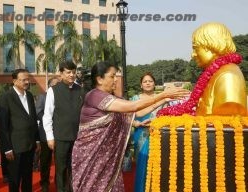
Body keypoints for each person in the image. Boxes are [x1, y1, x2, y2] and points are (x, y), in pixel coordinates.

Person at [71, 61, 189, 192]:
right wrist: (163, 94)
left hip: (108, 158)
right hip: (92, 156)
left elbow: (136, 112)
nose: (116, 79)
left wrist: (163, 100)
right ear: (99, 79)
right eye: (112, 76)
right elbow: (133, 106)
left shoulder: (110, 97)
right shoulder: (94, 95)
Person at [0, 69, 40, 192]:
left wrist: (36, 140)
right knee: (14, 179)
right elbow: (2, 125)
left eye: (28, 79)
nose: (27, 82)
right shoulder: (5, 97)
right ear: (14, 81)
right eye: (23, 79)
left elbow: (33, 119)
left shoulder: (29, 96)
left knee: (27, 177)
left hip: (29, 145)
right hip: (14, 148)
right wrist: (7, 148)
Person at [43, 61, 84, 192]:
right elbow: (47, 115)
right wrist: (50, 137)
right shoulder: (53, 90)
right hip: (60, 137)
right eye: (68, 72)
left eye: (74, 72)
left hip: (78, 137)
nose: (72, 75)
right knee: (61, 169)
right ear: (61, 73)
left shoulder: (81, 90)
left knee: (75, 168)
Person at [192, 22, 247, 115]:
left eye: (196, 48)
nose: (193, 54)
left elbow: (227, 123)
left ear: (212, 45)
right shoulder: (217, 73)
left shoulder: (228, 76)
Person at [130, 72, 169, 192]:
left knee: (159, 165)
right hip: (141, 135)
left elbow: (167, 115)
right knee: (142, 166)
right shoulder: (135, 99)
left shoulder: (163, 98)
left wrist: (157, 121)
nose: (148, 83)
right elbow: (129, 117)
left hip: (158, 135)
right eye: (145, 81)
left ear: (154, 84)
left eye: (150, 81)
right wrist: (137, 123)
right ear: (141, 85)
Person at [36, 77, 59, 192]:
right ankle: (44, 183)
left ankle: (58, 182)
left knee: (60, 160)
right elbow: (38, 111)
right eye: (56, 84)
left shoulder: (62, 96)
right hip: (45, 134)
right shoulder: (42, 96)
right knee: (45, 160)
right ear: (49, 86)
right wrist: (48, 120)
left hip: (60, 133)